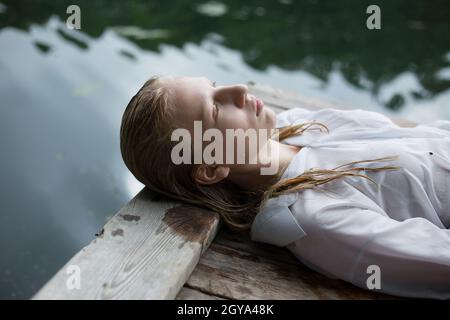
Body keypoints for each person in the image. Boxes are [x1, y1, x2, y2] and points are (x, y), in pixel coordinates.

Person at [120, 75, 450, 299]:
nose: (237, 88)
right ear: (210, 168)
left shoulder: (295, 125)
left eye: (215, 85)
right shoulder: (317, 218)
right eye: (216, 108)